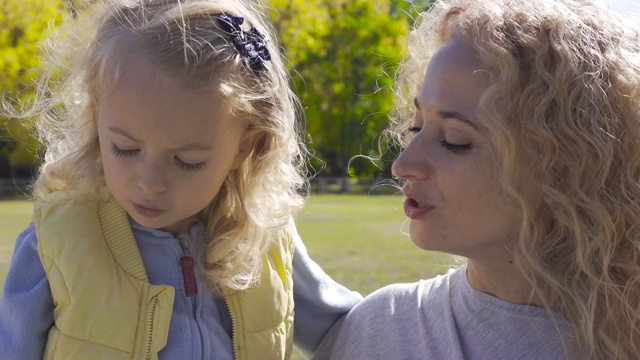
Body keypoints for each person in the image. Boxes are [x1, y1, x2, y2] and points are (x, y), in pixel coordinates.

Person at [0, 0, 362, 358]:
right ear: (97, 117)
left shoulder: (262, 237)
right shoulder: (57, 242)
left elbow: (349, 328)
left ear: (245, 147)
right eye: (125, 149)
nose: (150, 182)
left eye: (188, 161)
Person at [314, 0, 640, 359]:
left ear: (567, 168)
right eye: (416, 126)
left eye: (455, 140)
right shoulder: (381, 330)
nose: (403, 164)